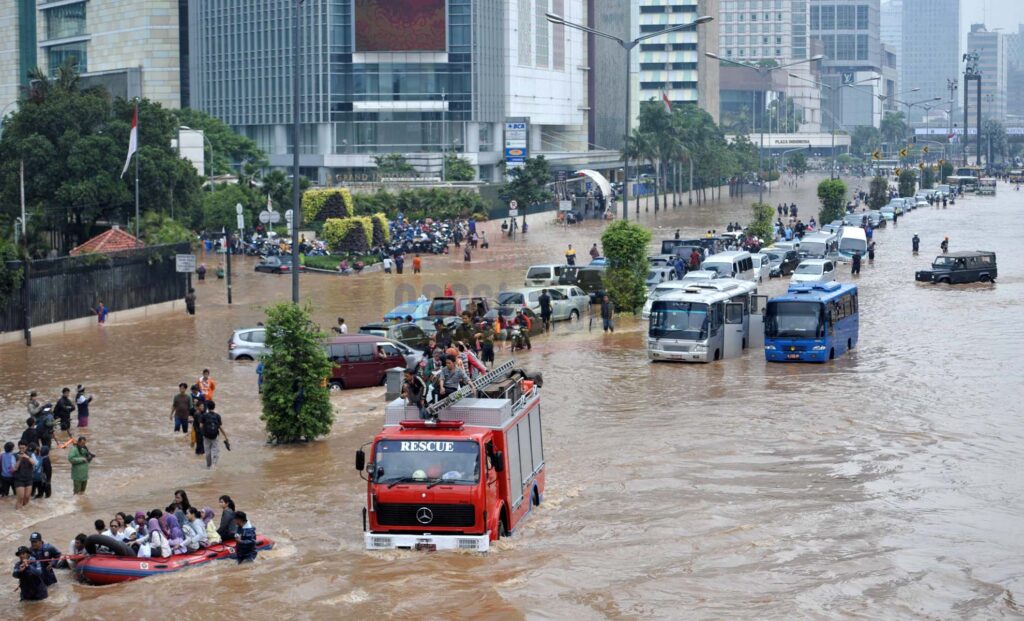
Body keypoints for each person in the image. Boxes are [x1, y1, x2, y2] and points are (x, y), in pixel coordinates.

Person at [201, 401, 228, 469]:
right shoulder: (217, 416)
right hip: (215, 436)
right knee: (215, 450)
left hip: (206, 436)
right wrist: (225, 436)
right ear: (214, 407)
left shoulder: (204, 415)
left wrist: (202, 434)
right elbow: (220, 427)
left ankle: (208, 466)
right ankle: (214, 465)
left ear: (207, 407)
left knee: (207, 451)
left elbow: (201, 426)